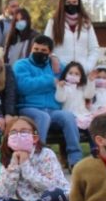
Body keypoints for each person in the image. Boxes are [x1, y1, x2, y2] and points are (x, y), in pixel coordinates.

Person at [13, 36, 84, 167]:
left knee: (68, 116)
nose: (38, 52)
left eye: (43, 50)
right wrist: (50, 81)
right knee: (43, 116)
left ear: (50, 52)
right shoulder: (21, 65)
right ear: (31, 49)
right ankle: (37, 157)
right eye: (35, 49)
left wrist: (55, 58)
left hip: (53, 109)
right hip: (29, 108)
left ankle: (75, 160)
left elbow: (72, 76)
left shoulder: (57, 66)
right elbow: (23, 87)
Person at [43, 0, 101, 73]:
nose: (72, 5)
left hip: (82, 74)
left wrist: (88, 67)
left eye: (74, 2)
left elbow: (94, 48)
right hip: (60, 73)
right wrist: (54, 59)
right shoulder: (53, 23)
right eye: (68, 3)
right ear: (63, 4)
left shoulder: (86, 23)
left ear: (79, 3)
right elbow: (46, 46)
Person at [55, 61, 93, 125]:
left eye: (77, 74)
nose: (73, 75)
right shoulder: (64, 87)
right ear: (65, 74)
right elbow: (60, 99)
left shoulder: (82, 88)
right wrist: (60, 88)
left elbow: (88, 95)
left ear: (81, 76)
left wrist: (91, 81)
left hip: (83, 114)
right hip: (70, 115)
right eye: (70, 73)